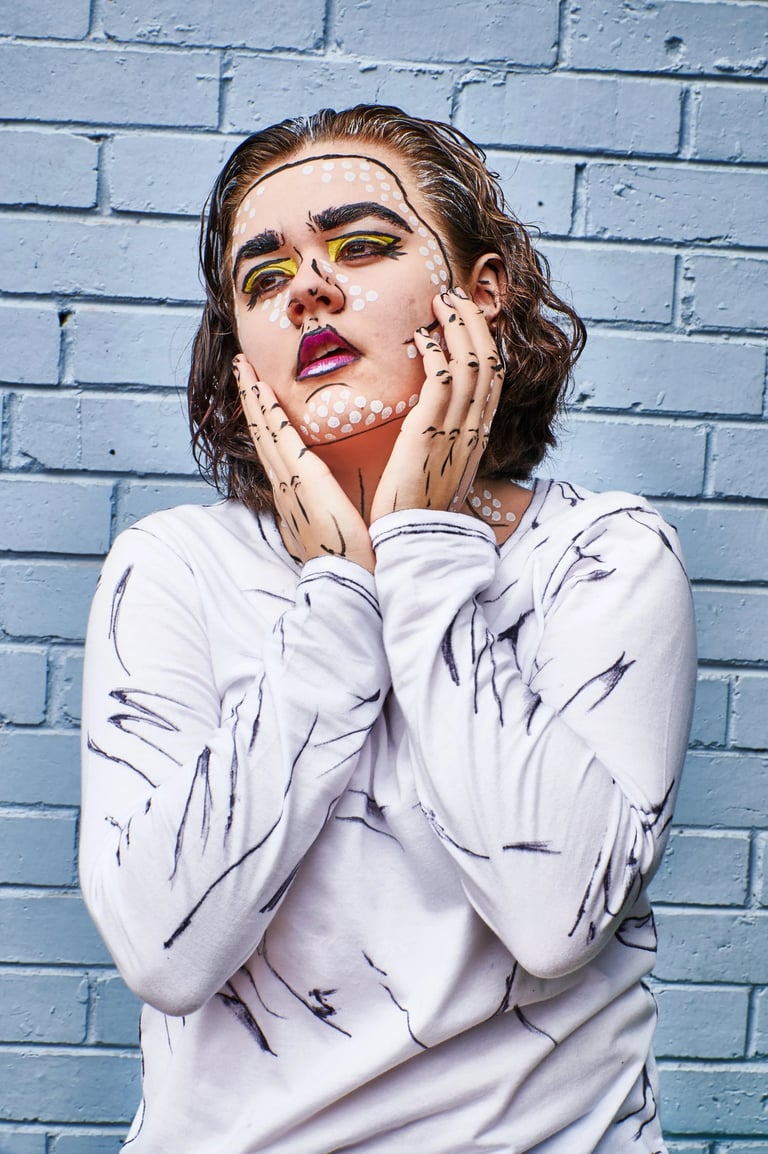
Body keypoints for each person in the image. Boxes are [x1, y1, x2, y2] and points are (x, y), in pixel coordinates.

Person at [79, 104, 696, 1153]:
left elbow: (554, 914)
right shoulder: (174, 566)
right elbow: (163, 952)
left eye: (361, 247)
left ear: (481, 294)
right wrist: (338, 595)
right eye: (263, 278)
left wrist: (420, 549)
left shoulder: (602, 556)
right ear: (243, 353)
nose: (308, 290)